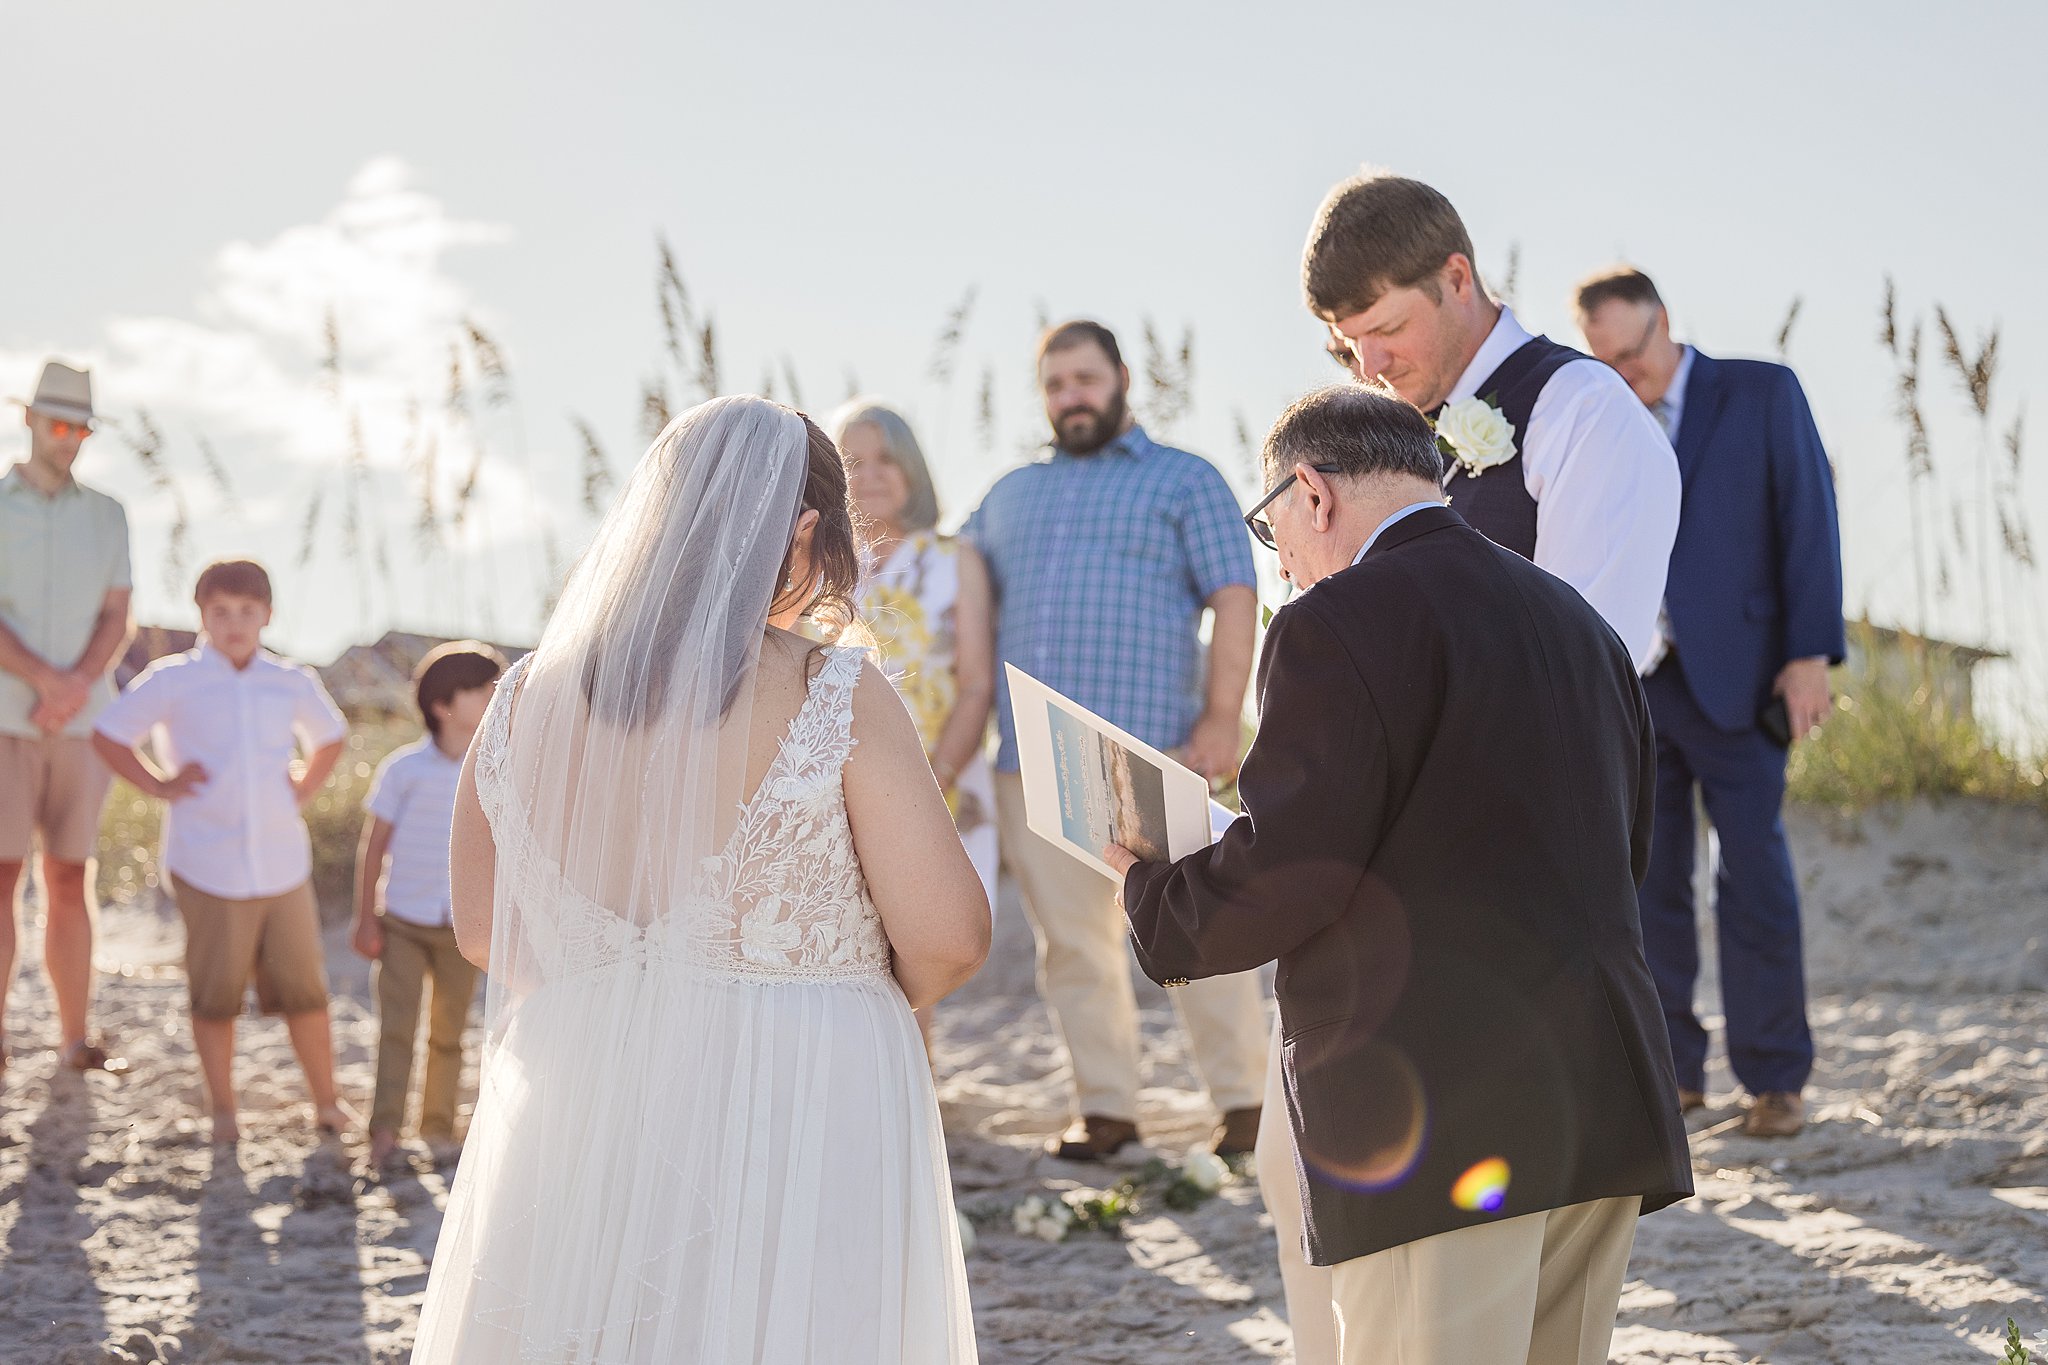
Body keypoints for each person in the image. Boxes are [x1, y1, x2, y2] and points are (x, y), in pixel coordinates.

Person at [1110, 384, 1693, 1365]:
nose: (1282, 559)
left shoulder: (1334, 622)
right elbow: (1617, 852)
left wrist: (1151, 891)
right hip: (1601, 1103)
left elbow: (1297, 872)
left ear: (1311, 492)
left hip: (1440, 1118)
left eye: (1271, 527)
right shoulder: (1581, 628)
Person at [412, 397, 990, 1362]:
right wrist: (837, 988)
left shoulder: (517, 701)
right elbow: (953, 936)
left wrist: (620, 995)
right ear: (803, 526)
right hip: (801, 1095)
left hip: (584, 1089)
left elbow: (483, 931)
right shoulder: (829, 686)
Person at [1277, 170, 1684, 1362]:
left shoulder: (1581, 415)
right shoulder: (1373, 444)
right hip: (1368, 929)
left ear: (1458, 278)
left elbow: (1574, 675)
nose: (1371, 366)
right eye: (1345, 347)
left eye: (1387, 331)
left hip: (1494, 949)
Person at [962, 320, 1267, 1162]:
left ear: (1122, 378)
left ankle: (1242, 1100)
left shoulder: (1185, 479)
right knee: (1074, 948)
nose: (1072, 397)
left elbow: (1235, 596)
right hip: (1035, 759)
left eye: (1085, 379)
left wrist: (1218, 718)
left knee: (1202, 933)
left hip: (1153, 747)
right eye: (1056, 384)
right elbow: (957, 600)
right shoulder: (1007, 496)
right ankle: (1108, 1109)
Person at [1576, 266, 1846, 1138]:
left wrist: (1809, 653)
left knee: (1753, 874)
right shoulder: (1600, 417)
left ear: (1666, 322)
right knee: (1650, 884)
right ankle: (1675, 1078)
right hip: (1637, 685)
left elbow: (1809, 520)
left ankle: (1775, 1078)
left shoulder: (1763, 392)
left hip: (1745, 678)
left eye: (1634, 352)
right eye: (1605, 360)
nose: (1628, 375)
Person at [91, 559, 354, 1143]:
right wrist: (160, 785)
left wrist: (306, 786)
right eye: (220, 612)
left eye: (246, 611)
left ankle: (328, 1104)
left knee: (307, 992)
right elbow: (109, 735)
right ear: (202, 615)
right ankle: (224, 1112)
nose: (233, 623)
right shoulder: (172, 679)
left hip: (283, 863)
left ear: (267, 615)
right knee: (215, 997)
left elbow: (331, 737)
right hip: (205, 863)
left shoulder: (291, 680)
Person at [0, 361, 135, 1076]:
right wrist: (44, 680)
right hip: (6, 721)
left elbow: (117, 612)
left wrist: (77, 684)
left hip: (81, 724)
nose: (70, 438)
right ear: (27, 419)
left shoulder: (108, 515)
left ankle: (74, 1038)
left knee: (67, 877)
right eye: (59, 424)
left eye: (81, 427)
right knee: (0, 876)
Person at [832, 399, 998, 913]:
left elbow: (975, 684)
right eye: (853, 464)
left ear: (912, 467)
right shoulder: (823, 570)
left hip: (940, 782)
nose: (871, 476)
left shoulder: (954, 560)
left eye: (886, 459)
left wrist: (935, 781)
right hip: (837, 797)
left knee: (930, 950)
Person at [352, 641, 507, 1169]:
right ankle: (385, 1130)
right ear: (444, 704)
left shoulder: (495, 769)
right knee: (397, 1027)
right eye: (482, 689)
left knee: (450, 1030)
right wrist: (364, 916)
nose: (494, 695)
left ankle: (438, 1127)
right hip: (402, 923)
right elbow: (374, 846)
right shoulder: (405, 770)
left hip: (463, 928)